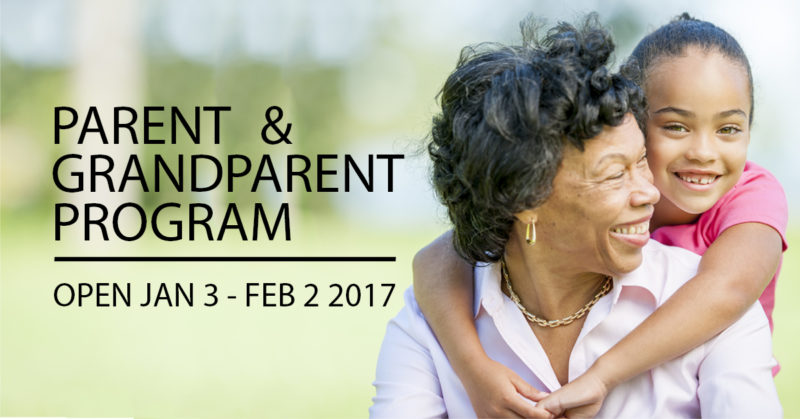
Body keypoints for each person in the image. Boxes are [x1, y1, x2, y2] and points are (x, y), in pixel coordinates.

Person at [370, 15, 781, 418]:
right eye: (617, 172)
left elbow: (728, 290)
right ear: (521, 198)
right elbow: (438, 256)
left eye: (728, 129)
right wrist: (472, 367)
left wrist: (604, 374)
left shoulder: (730, 284)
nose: (703, 153)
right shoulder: (433, 321)